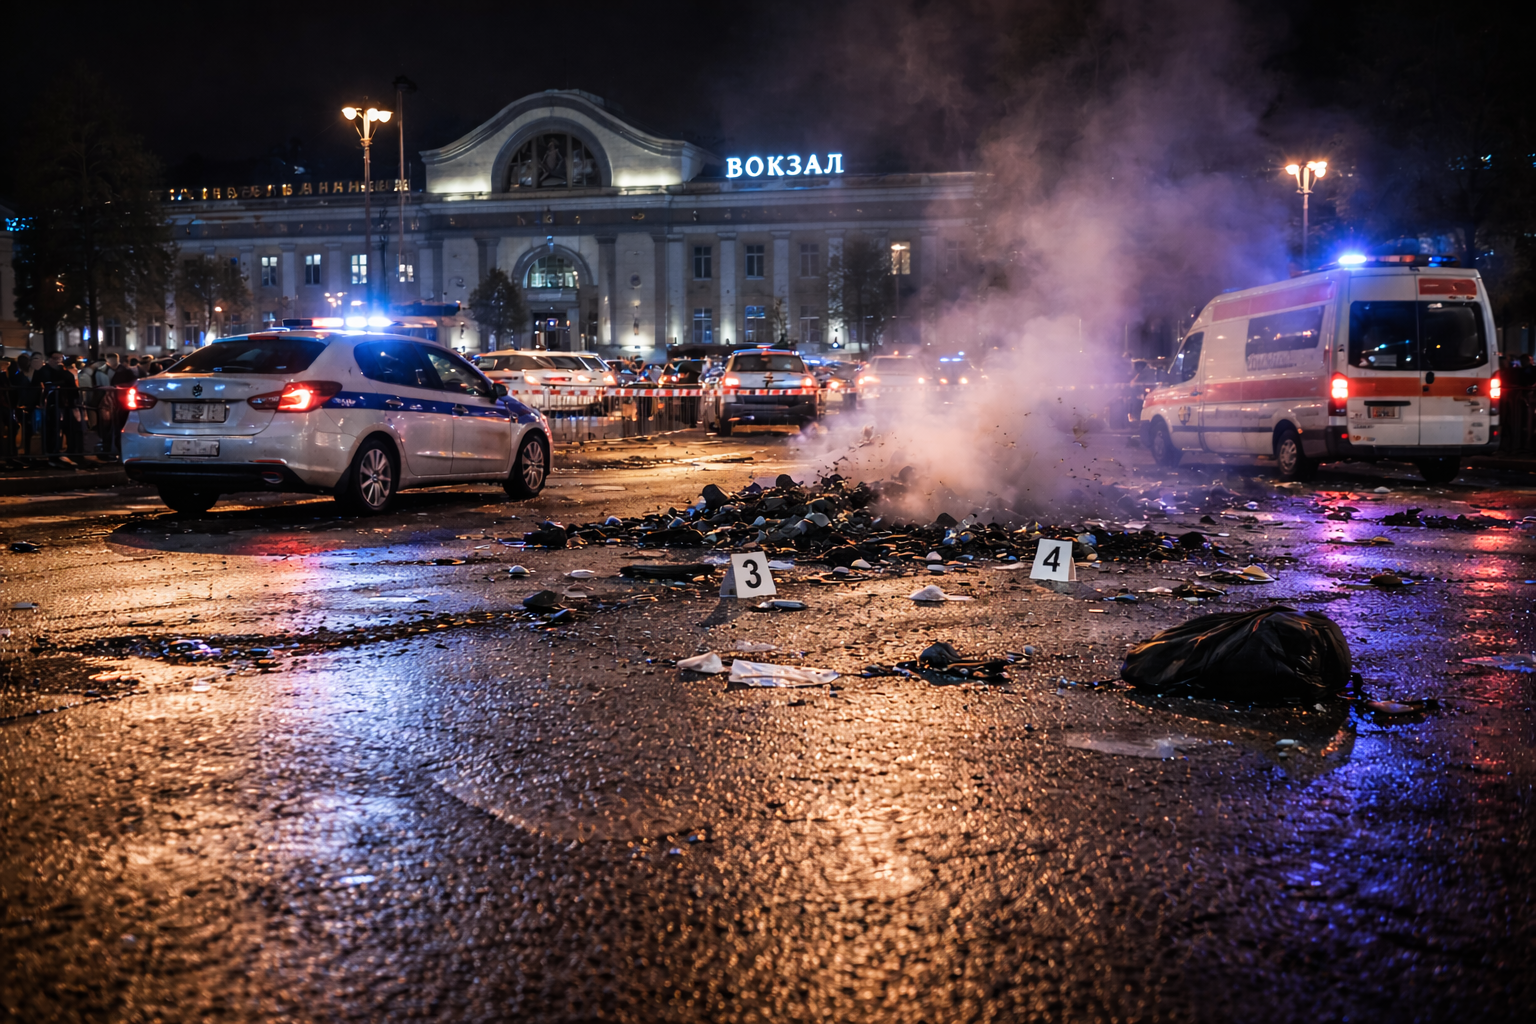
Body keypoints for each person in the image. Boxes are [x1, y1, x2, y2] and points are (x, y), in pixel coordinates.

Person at [35, 351, 84, 468]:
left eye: (60, 358)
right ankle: (53, 455)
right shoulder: (44, 371)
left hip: (65, 404)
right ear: (49, 359)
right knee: (53, 430)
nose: (58, 361)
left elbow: (73, 389)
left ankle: (69, 453)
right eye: (55, 358)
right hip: (52, 405)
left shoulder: (65, 372)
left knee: (69, 429)